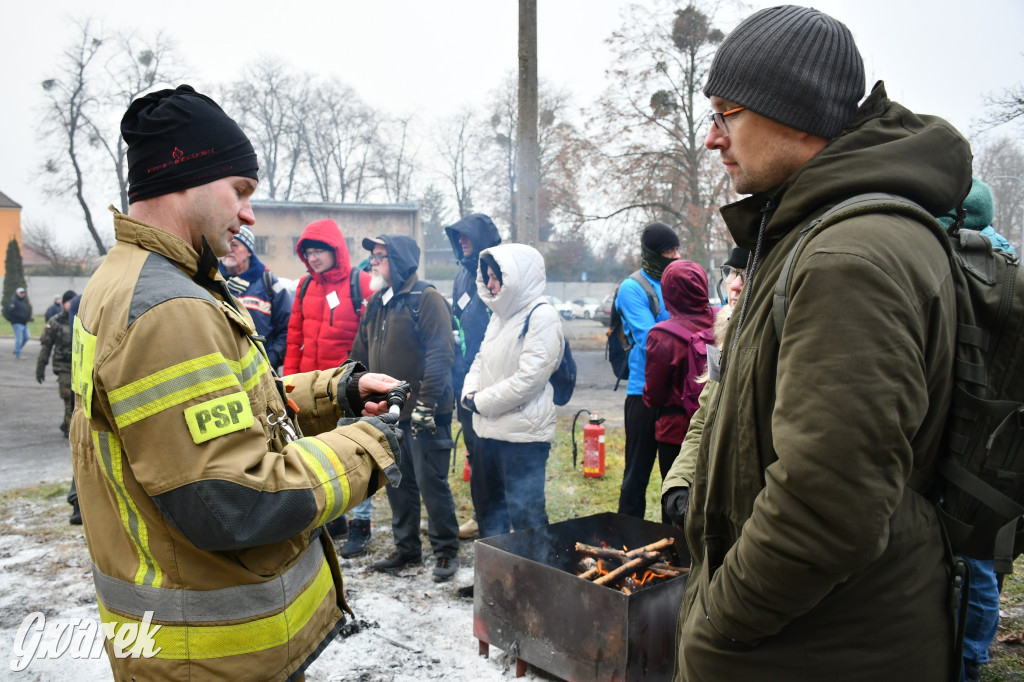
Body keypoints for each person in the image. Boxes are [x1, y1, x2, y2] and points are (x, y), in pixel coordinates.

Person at [70, 84, 404, 681]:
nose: (249, 213)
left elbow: (224, 413)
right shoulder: (168, 307)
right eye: (240, 191)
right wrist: (369, 444)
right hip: (212, 655)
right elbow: (237, 501)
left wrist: (337, 394)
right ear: (186, 179)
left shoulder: (131, 280)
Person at [676, 7, 972, 681]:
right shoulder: (812, 233)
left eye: (729, 114)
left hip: (818, 646)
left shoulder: (848, 256)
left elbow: (828, 503)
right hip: (827, 632)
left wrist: (719, 626)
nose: (713, 139)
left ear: (800, 115)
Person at [351, 234, 461, 582]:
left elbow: (441, 354)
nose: (373, 264)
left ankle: (445, 551)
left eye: (380, 257)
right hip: (390, 412)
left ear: (399, 261)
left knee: (432, 483)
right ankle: (407, 549)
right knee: (398, 483)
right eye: (371, 258)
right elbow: (360, 352)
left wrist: (426, 405)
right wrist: (354, 390)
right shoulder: (377, 302)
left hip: (426, 412)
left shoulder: (425, 298)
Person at [939, 177, 1013, 682]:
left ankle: (967, 654)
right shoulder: (1003, 264)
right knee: (981, 551)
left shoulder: (978, 272)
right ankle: (969, 650)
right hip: (996, 434)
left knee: (973, 554)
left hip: (975, 429)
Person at [284, 218, 376, 557]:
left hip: (350, 388)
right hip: (312, 391)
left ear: (335, 250)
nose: (314, 256)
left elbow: (371, 335)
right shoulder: (304, 287)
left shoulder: (361, 283)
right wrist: (289, 384)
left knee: (357, 450)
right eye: (308, 251)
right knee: (320, 454)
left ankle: (362, 524)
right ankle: (335, 518)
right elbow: (295, 338)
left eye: (320, 249)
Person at [461, 243, 563, 538]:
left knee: (527, 518)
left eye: (497, 277)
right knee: (489, 514)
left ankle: (532, 581)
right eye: (488, 277)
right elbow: (480, 360)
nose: (490, 285)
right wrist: (469, 394)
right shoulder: (499, 317)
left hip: (523, 439)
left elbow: (529, 379)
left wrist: (480, 402)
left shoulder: (542, 316)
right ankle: (495, 582)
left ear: (516, 277)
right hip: (487, 433)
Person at [640, 260, 713, 523]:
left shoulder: (662, 335)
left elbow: (653, 395)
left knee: (675, 499)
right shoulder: (724, 320)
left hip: (675, 432)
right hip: (713, 425)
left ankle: (674, 558)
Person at [443, 213, 502, 540]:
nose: (461, 241)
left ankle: (500, 522)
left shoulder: (499, 270)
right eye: (458, 237)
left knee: (494, 454)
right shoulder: (461, 277)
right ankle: (482, 517)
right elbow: (457, 319)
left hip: (495, 379)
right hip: (464, 379)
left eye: (466, 236)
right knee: (473, 452)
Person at [615, 222, 677, 520]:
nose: (674, 256)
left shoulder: (676, 280)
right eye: (668, 251)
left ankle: (674, 546)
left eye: (677, 249)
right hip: (642, 393)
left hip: (675, 397)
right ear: (652, 253)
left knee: (675, 478)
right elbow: (650, 339)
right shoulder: (632, 288)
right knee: (636, 475)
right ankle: (628, 540)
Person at [219, 224, 292, 371]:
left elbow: (288, 328)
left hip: (263, 370)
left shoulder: (269, 283)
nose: (229, 249)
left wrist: (271, 359)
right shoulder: (211, 280)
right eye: (227, 243)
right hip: (223, 371)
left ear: (249, 251)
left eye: (235, 245)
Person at [37, 290, 76, 439]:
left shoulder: (81, 320)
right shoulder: (55, 322)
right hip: (63, 367)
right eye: (68, 302)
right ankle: (69, 427)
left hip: (78, 367)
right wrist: (40, 369)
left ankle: (68, 425)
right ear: (63, 303)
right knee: (68, 397)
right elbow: (46, 347)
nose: (71, 304)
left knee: (76, 399)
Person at [4, 287, 31, 359]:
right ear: (17, 293)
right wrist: (13, 320)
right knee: (19, 339)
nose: (22, 294)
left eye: (23, 292)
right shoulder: (14, 301)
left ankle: (16, 350)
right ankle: (18, 355)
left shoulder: (22, 301)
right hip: (17, 323)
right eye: (20, 293)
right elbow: (9, 312)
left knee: (27, 337)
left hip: (24, 323)